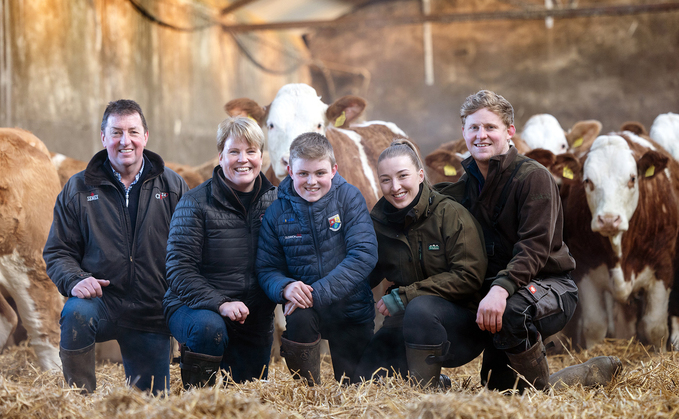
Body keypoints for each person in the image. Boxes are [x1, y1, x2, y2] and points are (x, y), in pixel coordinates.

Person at [438, 90, 621, 391]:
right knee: (500, 388)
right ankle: (585, 374)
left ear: (510, 131)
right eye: (473, 127)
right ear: (464, 132)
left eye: (490, 127)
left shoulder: (534, 177)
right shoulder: (467, 184)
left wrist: (500, 289)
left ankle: (543, 393)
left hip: (549, 286)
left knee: (513, 312)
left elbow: (534, 246)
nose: (481, 135)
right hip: (504, 289)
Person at [43, 99, 189, 394]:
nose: (126, 141)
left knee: (151, 402)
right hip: (102, 302)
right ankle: (78, 401)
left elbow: (190, 251)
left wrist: (182, 303)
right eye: (117, 132)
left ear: (145, 137)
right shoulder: (78, 189)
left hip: (152, 308)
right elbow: (58, 251)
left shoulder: (172, 186)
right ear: (103, 138)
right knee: (75, 313)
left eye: (133, 132)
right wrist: (76, 279)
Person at [355, 139, 488, 388]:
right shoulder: (378, 222)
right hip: (405, 323)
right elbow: (363, 273)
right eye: (385, 179)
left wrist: (405, 296)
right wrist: (320, 291)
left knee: (420, 308)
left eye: (402, 176)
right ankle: (435, 379)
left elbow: (468, 276)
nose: (395, 187)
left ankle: (426, 391)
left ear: (420, 175)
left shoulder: (450, 214)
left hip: (460, 326)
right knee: (364, 381)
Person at [163, 116, 276, 389]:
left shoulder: (275, 201)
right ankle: (197, 401)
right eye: (234, 151)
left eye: (251, 151)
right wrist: (221, 303)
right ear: (220, 156)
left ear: (261, 156)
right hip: (196, 307)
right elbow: (179, 270)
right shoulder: (195, 203)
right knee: (208, 329)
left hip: (251, 315)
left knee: (247, 392)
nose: (243, 159)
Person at [256, 132, 377, 385]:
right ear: (289, 171)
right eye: (303, 174)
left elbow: (363, 255)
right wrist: (286, 287)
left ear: (334, 170)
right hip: (305, 314)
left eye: (320, 173)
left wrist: (315, 294)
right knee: (299, 322)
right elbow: (267, 268)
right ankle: (308, 392)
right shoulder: (277, 211)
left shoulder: (349, 198)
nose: (312, 182)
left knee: (357, 389)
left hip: (351, 310)